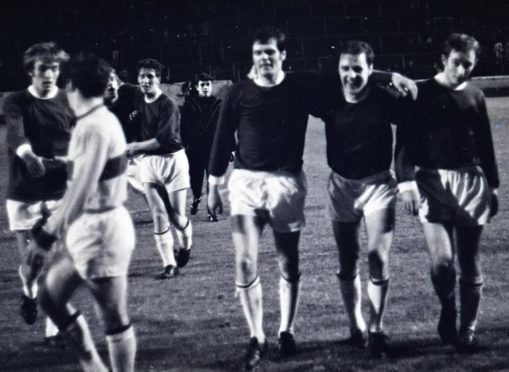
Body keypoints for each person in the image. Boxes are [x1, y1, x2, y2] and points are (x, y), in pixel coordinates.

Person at [207, 26, 416, 370]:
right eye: (259, 53)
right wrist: (214, 183)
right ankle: (256, 337)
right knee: (244, 261)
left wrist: (388, 74)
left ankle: (288, 330)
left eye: (271, 52)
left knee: (289, 262)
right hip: (245, 183)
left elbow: (355, 74)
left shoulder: (300, 87)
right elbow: (221, 137)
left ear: (283, 56)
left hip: (288, 183)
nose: (264, 58)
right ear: (252, 57)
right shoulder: (237, 92)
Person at [24, 53, 136, 372]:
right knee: (49, 297)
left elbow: (84, 188)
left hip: (102, 231)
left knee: (112, 318)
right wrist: (55, 216)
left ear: (71, 86)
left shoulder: (96, 126)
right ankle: (92, 364)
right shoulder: (90, 124)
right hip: (86, 227)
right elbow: (81, 181)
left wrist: (46, 235)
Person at [396, 33, 499, 352]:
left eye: (468, 64)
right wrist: (406, 181)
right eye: (457, 62)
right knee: (442, 262)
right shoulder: (420, 91)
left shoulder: (475, 96)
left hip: (470, 182)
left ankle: (467, 328)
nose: (462, 69)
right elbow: (404, 142)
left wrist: (493, 186)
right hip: (431, 182)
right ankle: (448, 308)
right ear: (444, 59)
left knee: (469, 260)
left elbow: (485, 145)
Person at [316, 40, 409, 358]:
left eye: (358, 68)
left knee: (378, 258)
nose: (351, 75)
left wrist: (390, 76)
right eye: (345, 68)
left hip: (378, 186)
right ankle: (355, 324)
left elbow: (415, 115)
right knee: (347, 259)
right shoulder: (329, 98)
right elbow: (297, 84)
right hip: (341, 186)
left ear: (370, 70)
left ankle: (377, 328)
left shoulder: (384, 100)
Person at [3, 41, 74, 345]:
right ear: (30, 71)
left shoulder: (69, 100)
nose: (49, 74)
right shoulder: (16, 100)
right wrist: (29, 156)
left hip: (58, 192)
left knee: (57, 263)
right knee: (32, 266)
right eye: (43, 68)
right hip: (24, 193)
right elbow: (16, 133)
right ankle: (29, 292)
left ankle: (53, 330)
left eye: (54, 68)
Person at [127, 58, 193, 277]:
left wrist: (134, 147)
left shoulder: (168, 105)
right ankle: (169, 264)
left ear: (158, 79)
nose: (146, 80)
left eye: (150, 76)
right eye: (142, 76)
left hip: (173, 160)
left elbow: (161, 140)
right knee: (158, 214)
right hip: (149, 163)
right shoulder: (137, 101)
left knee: (176, 216)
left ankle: (185, 245)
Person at [180, 73, 222, 219]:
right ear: (197, 87)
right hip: (195, 150)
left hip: (214, 149)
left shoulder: (219, 103)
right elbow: (183, 128)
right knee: (195, 179)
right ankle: (197, 197)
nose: (205, 87)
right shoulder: (189, 105)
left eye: (208, 84)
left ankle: (212, 212)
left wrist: (231, 148)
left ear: (211, 86)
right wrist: (185, 146)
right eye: (202, 85)